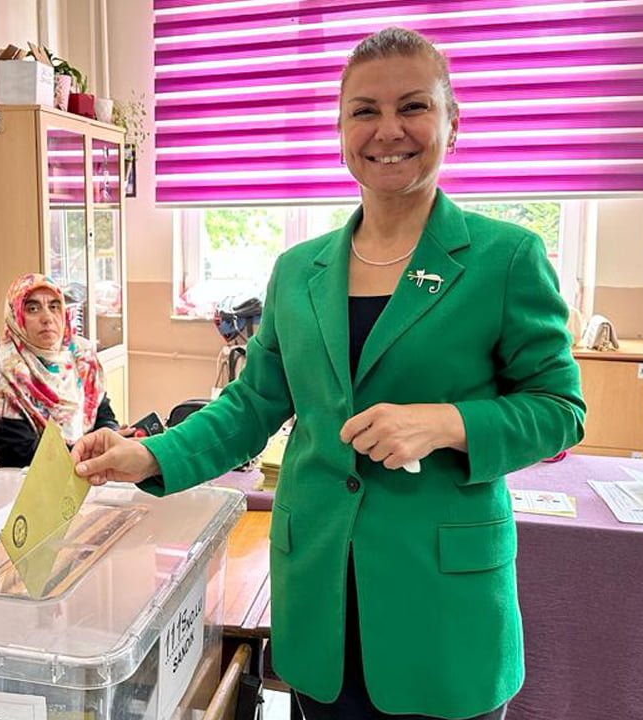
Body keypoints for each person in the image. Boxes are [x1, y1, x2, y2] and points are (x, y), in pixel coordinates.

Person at [69, 27, 584, 720]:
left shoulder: (507, 258)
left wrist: (448, 423)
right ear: (341, 130)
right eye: (364, 110)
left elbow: (558, 410)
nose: (388, 130)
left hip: (441, 601)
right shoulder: (298, 270)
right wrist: (148, 454)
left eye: (414, 107)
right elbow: (253, 404)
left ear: (452, 123)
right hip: (319, 589)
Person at [0, 273, 121, 468]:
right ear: (15, 315)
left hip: (89, 471)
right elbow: (19, 453)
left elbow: (103, 415)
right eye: (32, 308)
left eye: (54, 306)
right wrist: (94, 452)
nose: (47, 318)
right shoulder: (3, 370)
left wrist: (111, 437)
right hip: (32, 482)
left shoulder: (81, 355)